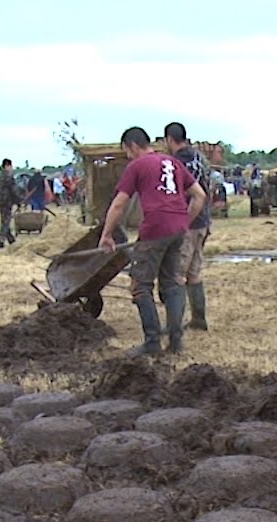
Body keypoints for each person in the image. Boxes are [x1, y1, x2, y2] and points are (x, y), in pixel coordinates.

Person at [98, 126, 206, 355]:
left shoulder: (137, 165)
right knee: (172, 283)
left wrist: (106, 234)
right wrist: (184, 221)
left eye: (127, 151)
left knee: (140, 286)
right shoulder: (172, 162)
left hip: (155, 228)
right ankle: (176, 342)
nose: (128, 156)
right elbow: (200, 195)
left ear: (133, 146)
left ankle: (152, 343)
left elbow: (119, 203)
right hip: (178, 230)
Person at [164, 121, 212, 332]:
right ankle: (198, 319)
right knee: (194, 272)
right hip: (203, 221)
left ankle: (174, 326)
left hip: (188, 223)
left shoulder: (176, 163)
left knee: (177, 274)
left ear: (169, 139)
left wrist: (181, 222)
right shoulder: (199, 158)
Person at [0, 159, 20, 249]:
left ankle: (11, 240)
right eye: (10, 166)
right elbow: (13, 190)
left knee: (4, 220)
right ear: (7, 166)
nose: (11, 168)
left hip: (0, 201)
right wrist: (18, 201)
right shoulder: (9, 177)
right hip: (7, 201)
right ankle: (1, 240)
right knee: (6, 222)